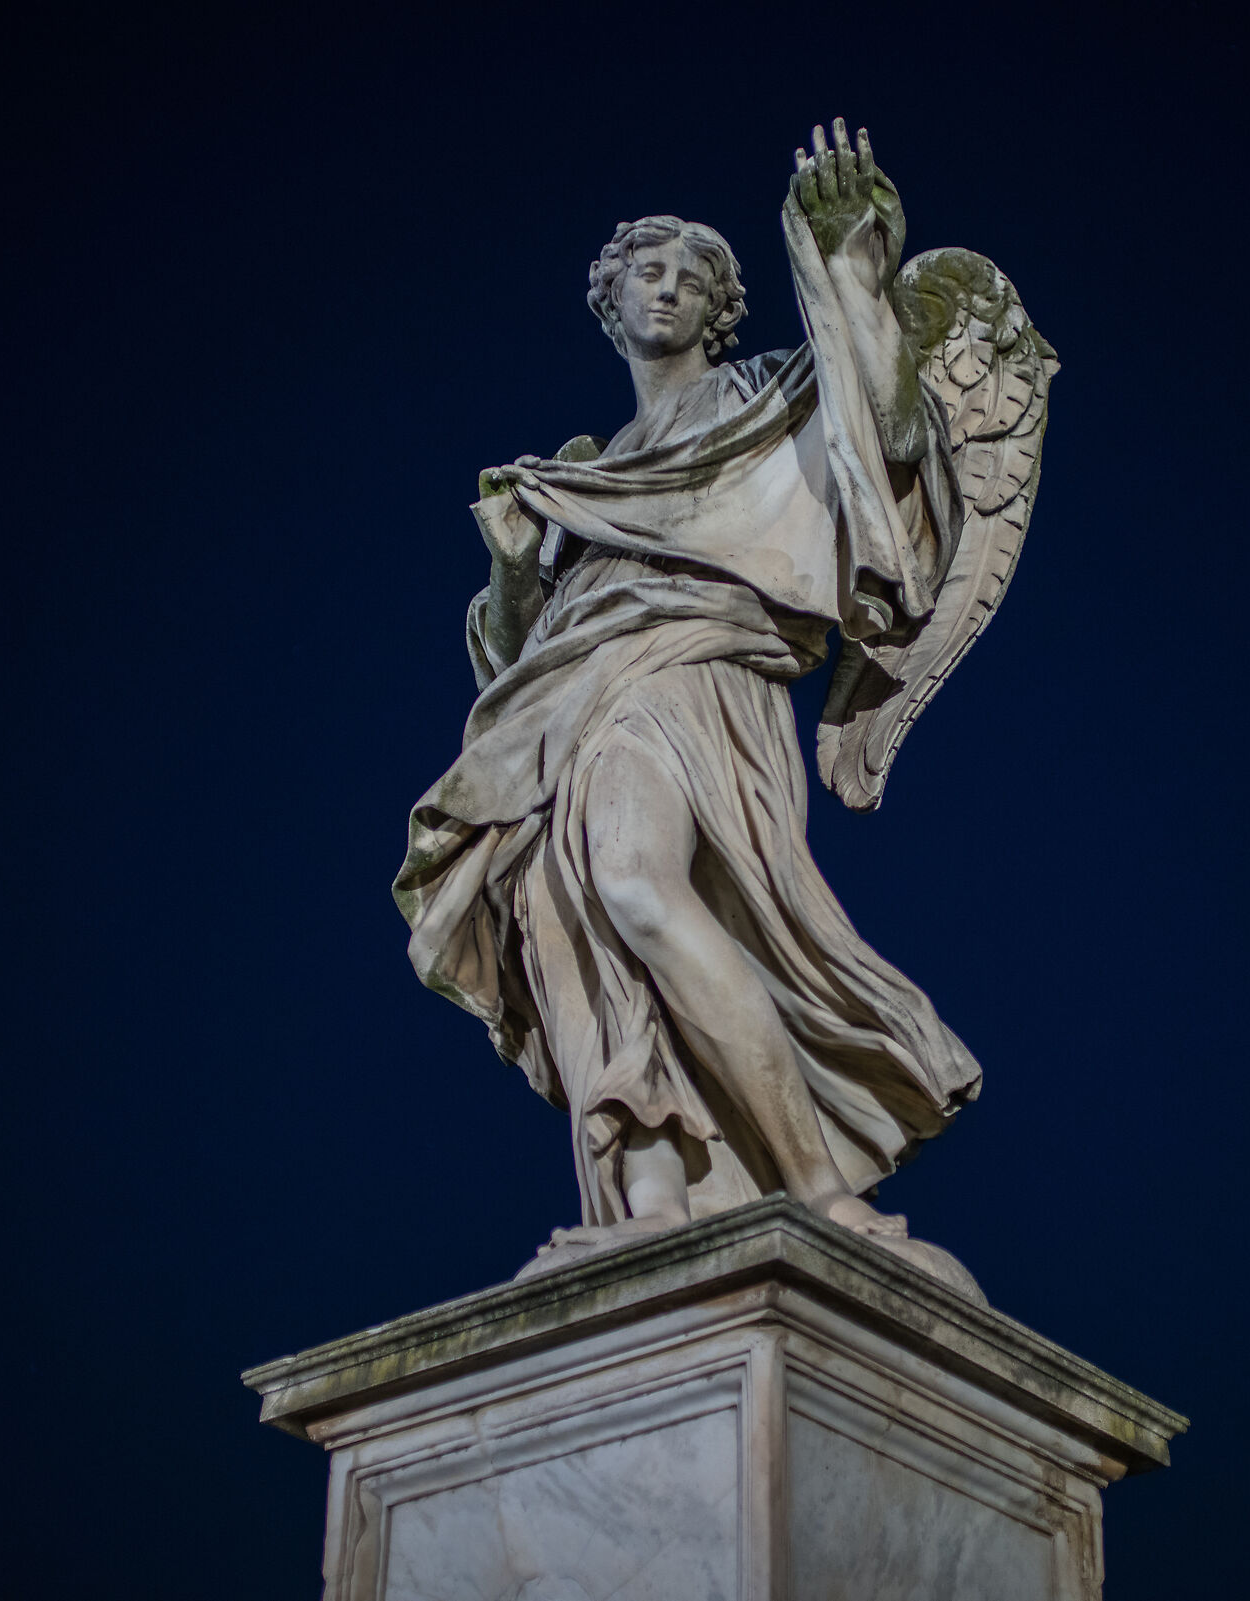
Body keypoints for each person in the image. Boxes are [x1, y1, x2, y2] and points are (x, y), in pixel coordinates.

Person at [395, 120, 982, 1265]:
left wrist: (852, 275)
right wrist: (515, 568)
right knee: (590, 944)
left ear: (720, 309)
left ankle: (819, 1190)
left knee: (637, 883)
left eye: (692, 277)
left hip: (695, 679)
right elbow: (518, 658)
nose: (665, 287)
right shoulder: (584, 474)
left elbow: (893, 437)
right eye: (646, 271)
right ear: (609, 301)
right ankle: (652, 1204)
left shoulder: (763, 395)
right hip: (562, 718)